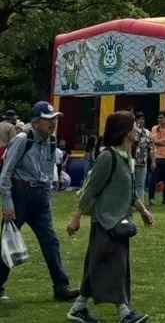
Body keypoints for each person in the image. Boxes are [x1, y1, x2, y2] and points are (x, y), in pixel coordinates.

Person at [65, 110, 156, 323]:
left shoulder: (127, 157)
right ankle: (124, 312)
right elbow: (91, 190)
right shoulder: (108, 157)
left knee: (98, 264)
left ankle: (79, 307)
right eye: (133, 126)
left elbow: (131, 192)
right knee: (115, 265)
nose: (138, 129)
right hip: (105, 222)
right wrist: (76, 218)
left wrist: (143, 211)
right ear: (124, 131)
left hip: (119, 222)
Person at [0, 102, 80, 302]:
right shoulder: (22, 139)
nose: (53, 123)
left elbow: (48, 170)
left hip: (40, 196)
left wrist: (49, 191)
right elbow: (5, 174)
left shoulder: (51, 141)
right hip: (20, 195)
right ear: (36, 122)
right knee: (9, 242)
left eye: (55, 119)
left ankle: (61, 287)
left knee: (50, 241)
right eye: (48, 119)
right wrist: (8, 204)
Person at [132, 114, 153, 205]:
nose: (141, 121)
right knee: (131, 183)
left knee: (140, 184)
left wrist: (153, 161)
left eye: (142, 119)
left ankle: (140, 204)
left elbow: (151, 148)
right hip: (131, 161)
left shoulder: (147, 133)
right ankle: (130, 203)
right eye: (139, 119)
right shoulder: (131, 131)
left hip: (142, 161)